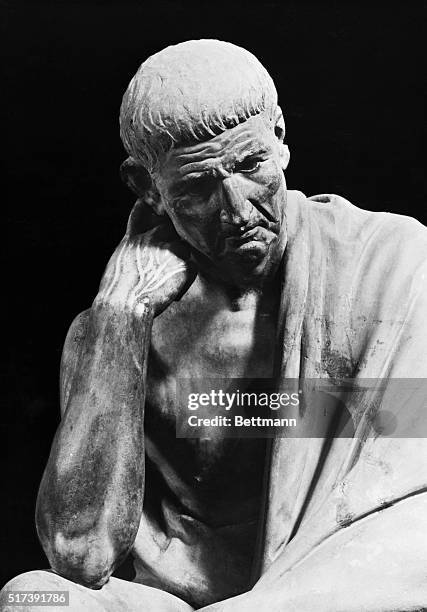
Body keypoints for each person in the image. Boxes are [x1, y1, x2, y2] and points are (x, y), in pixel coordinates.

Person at [2, 39, 427, 612]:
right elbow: (81, 554)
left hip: (339, 579)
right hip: (192, 602)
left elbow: (403, 469)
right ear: (147, 188)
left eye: (250, 164)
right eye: (198, 187)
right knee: (32, 598)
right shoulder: (112, 328)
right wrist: (120, 313)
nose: (237, 208)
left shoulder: (392, 259)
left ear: (279, 135)